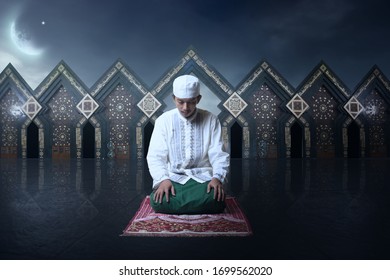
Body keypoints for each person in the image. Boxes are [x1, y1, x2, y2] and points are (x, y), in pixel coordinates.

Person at [147, 75, 230, 214]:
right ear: (174, 98)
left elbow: (218, 153)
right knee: (158, 201)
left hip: (203, 176)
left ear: (198, 99)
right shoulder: (164, 121)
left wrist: (217, 178)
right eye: (181, 102)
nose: (185, 108)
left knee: (216, 199)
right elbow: (156, 156)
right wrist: (163, 180)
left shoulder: (211, 119)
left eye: (191, 102)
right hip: (173, 177)